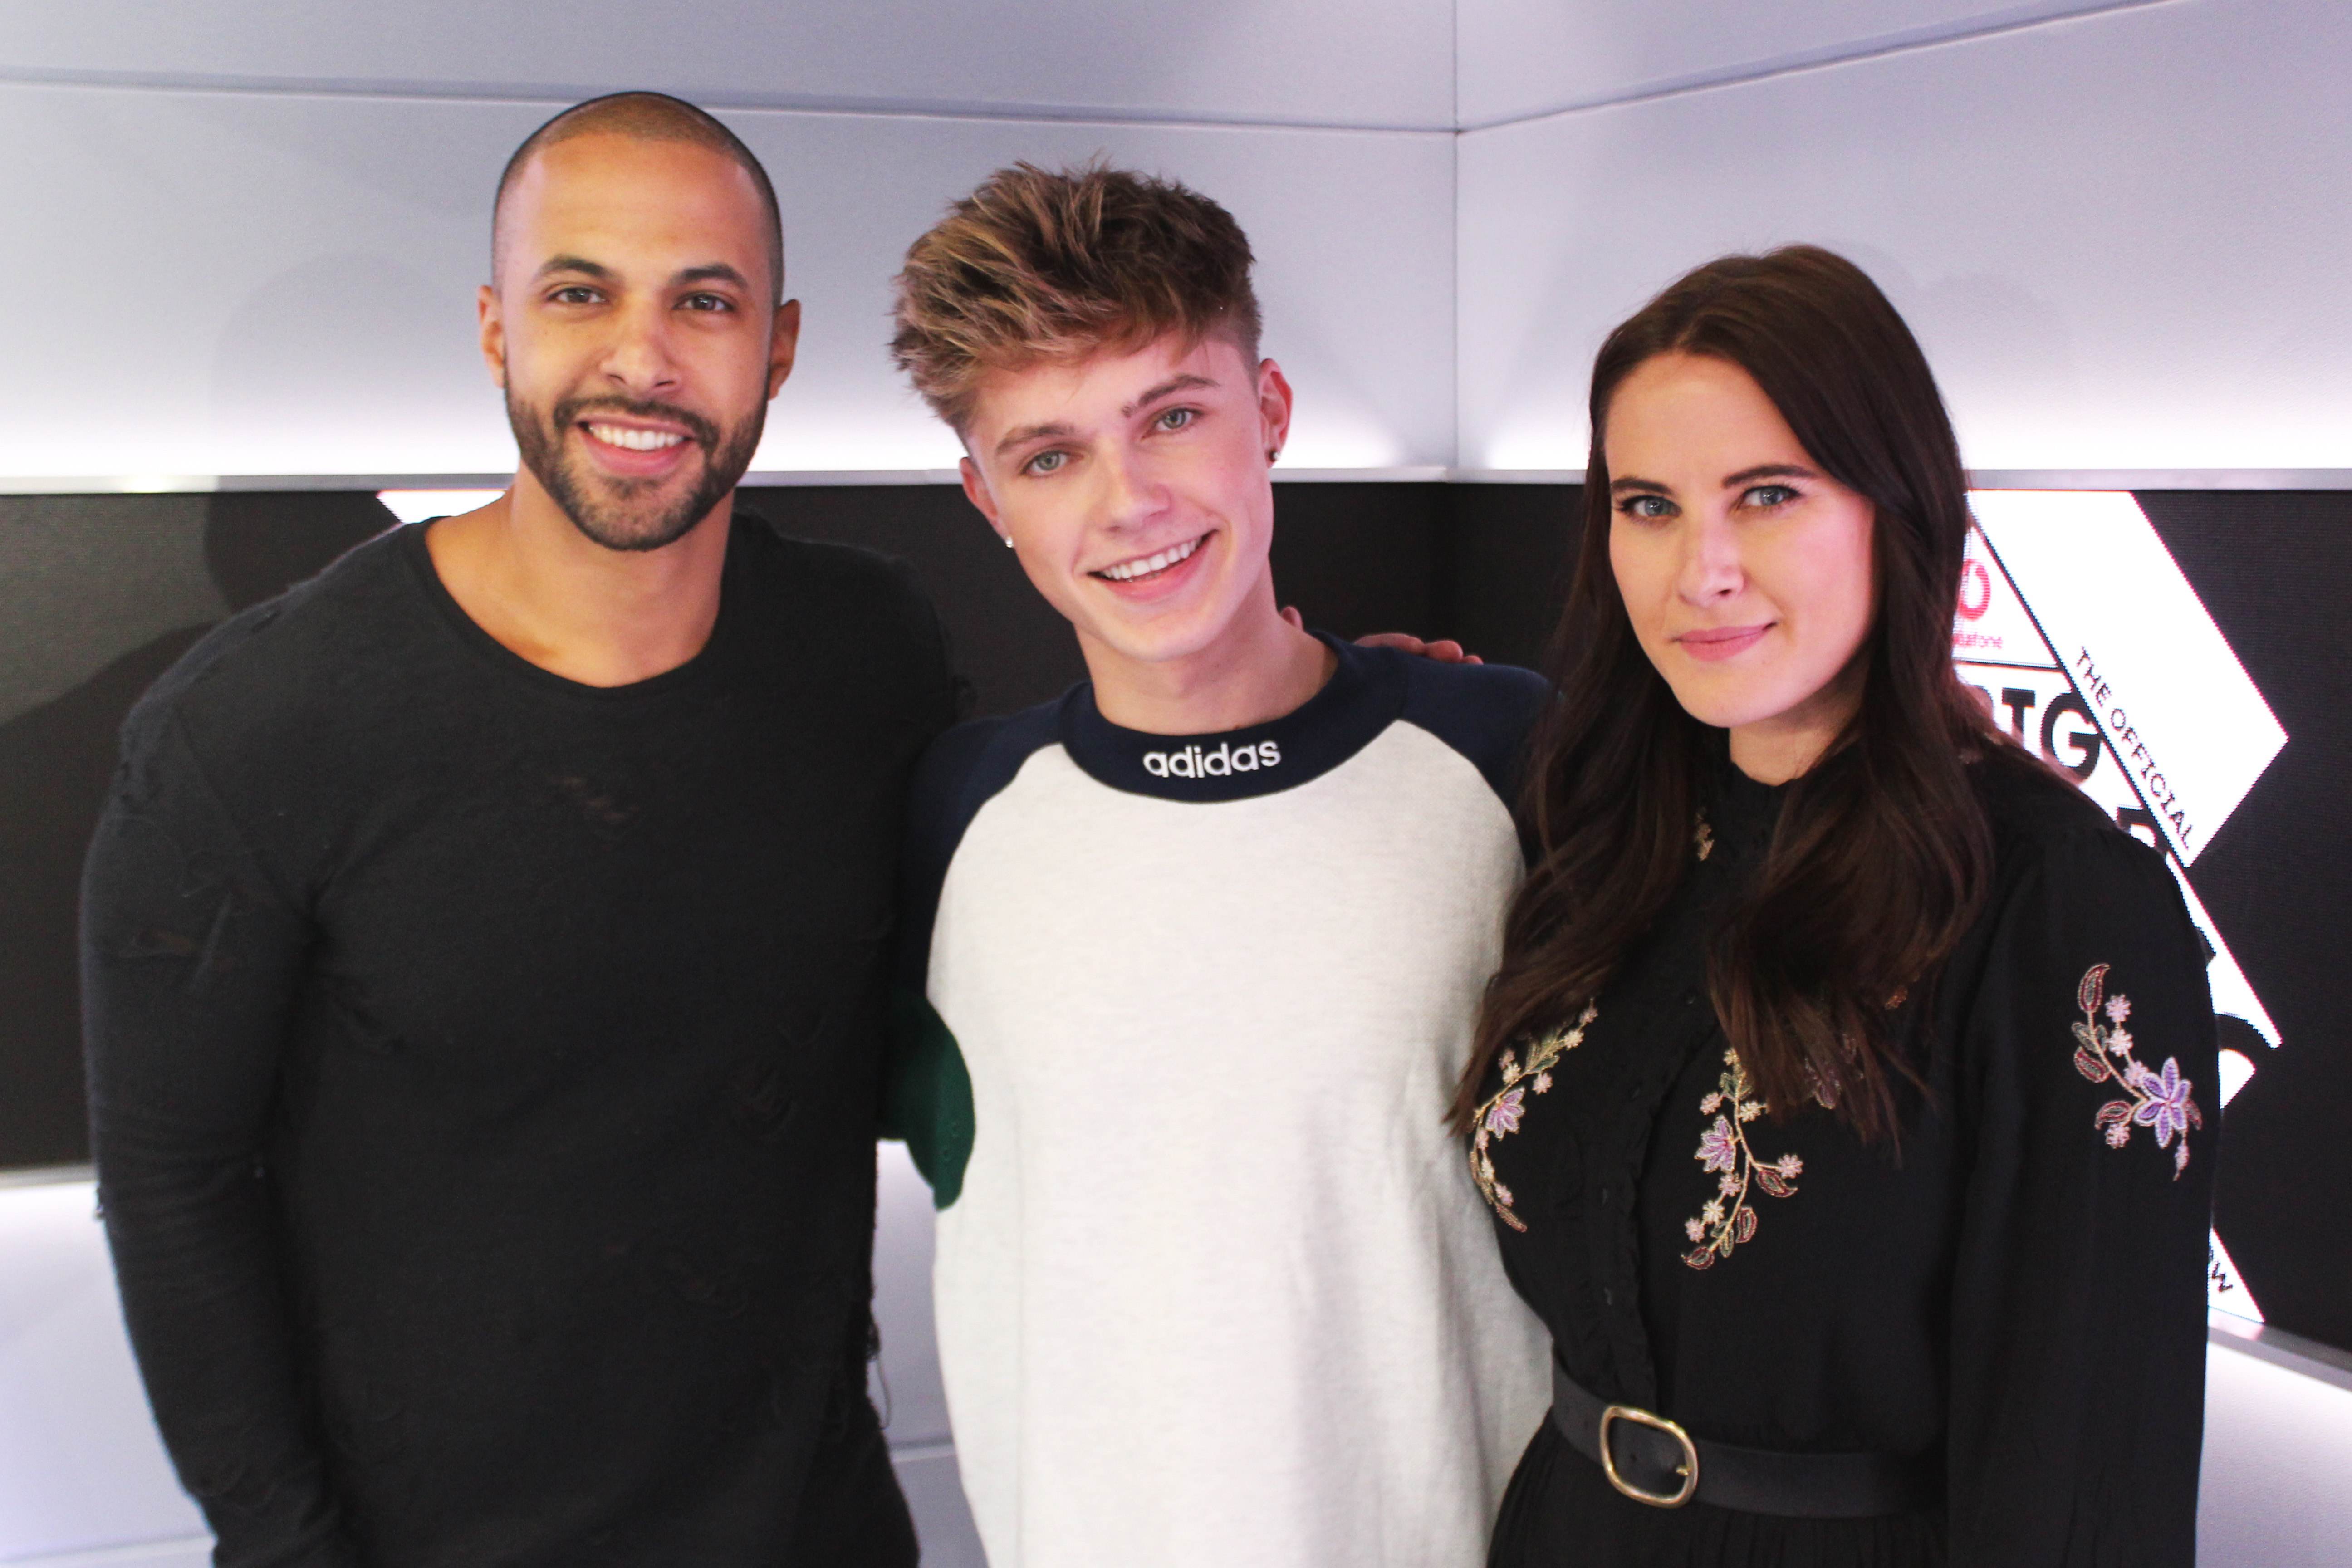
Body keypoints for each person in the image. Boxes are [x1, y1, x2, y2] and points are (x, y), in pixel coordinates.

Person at [81, 93, 948, 1565]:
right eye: (578, 292)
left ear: (780, 349)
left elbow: (1042, 874)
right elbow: (172, 1185)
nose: (643, 357)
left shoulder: (869, 656)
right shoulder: (260, 725)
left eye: (705, 300)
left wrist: (1327, 687)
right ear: (497, 329)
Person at [1461, 245, 2216, 1565]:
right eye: (1648, 503)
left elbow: (2094, 1456)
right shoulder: (1603, 843)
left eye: (1766, 496)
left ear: (1897, 506)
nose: (1700, 569)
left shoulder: (2056, 908)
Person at [881, 162, 1550, 1568]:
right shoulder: (950, 815)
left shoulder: (1511, 759)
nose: (1129, 501)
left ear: (1273, 414)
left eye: (1172, 416)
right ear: (985, 496)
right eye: (1049, 455)